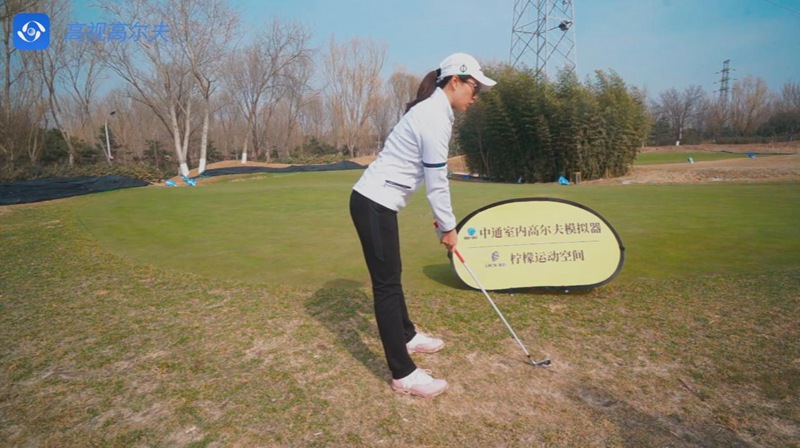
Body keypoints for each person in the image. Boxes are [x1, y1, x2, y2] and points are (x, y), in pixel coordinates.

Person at [349, 53, 496, 398]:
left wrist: (444, 223)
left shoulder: (436, 111)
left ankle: (407, 335)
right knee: (386, 286)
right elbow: (437, 182)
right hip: (373, 204)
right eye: (474, 87)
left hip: (378, 204)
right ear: (455, 81)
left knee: (392, 274)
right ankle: (402, 373)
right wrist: (448, 227)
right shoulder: (432, 115)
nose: (476, 96)